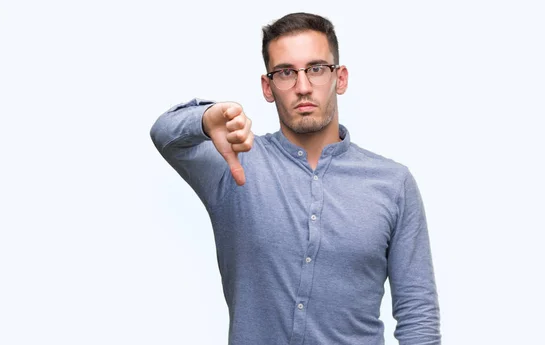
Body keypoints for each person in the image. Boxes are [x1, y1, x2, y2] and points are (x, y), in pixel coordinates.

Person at [150, 12, 441, 345]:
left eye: (316, 69)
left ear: (340, 78)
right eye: (286, 72)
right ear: (268, 87)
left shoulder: (393, 184)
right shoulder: (235, 163)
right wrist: (204, 118)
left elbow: (418, 315)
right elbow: (163, 133)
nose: (303, 87)